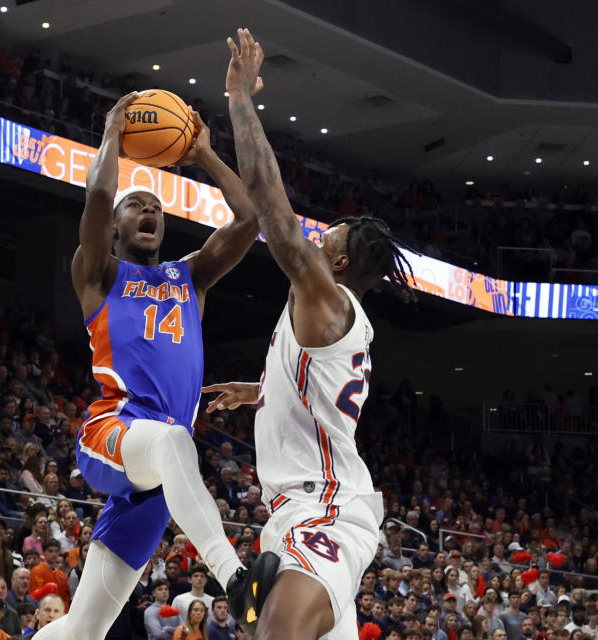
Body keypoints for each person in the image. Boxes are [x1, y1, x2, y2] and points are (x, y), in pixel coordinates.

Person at [206, 27, 421, 639]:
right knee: (263, 623)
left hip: (325, 509)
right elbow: (321, 393)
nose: (318, 234)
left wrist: (240, 99)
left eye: (332, 233)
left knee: (273, 632)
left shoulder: (326, 296)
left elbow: (271, 207)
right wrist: (265, 389)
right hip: (301, 509)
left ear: (345, 262)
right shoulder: (326, 316)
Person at [32, 83, 260, 640]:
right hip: (116, 429)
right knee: (172, 439)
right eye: (136, 205)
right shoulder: (99, 275)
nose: (149, 210)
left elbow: (250, 219)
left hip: (160, 475)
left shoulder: (192, 277)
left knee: (83, 628)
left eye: (156, 207)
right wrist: (112, 132)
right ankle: (236, 580)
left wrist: (203, 151)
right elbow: (95, 199)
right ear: (115, 226)